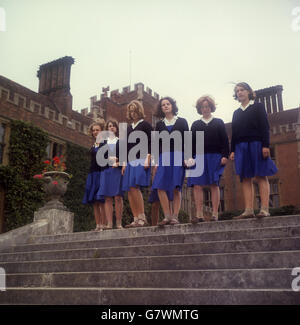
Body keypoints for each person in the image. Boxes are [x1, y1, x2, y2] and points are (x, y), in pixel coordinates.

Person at [229, 82, 278, 219]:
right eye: (237, 91)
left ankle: (264, 209)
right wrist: (232, 150)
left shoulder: (258, 107)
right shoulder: (236, 113)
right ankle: (249, 210)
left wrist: (265, 145)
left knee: (261, 175)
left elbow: (264, 127)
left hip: (256, 144)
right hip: (241, 147)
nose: (240, 92)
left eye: (242, 90)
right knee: (245, 178)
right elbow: (235, 133)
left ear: (249, 92)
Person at [187, 95, 229, 222]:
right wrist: (189, 157)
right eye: (202, 107)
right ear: (200, 109)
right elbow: (190, 143)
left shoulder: (219, 122)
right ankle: (199, 214)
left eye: (207, 106)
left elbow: (225, 141)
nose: (205, 109)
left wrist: (224, 155)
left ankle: (215, 214)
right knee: (197, 185)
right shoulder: (195, 124)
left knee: (214, 184)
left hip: (214, 156)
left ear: (211, 107)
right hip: (198, 157)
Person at [152, 97, 189, 226]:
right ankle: (167, 215)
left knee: (176, 187)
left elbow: (187, 141)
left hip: (179, 156)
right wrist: (156, 162)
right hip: (164, 157)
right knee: (159, 186)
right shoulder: (159, 124)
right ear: (161, 109)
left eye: (168, 104)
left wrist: (187, 157)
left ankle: (175, 216)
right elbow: (156, 144)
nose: (166, 106)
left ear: (172, 106)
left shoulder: (182, 122)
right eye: (163, 105)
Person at [121, 100, 152, 228]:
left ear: (139, 111)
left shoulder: (145, 125)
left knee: (135, 187)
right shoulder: (128, 128)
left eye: (135, 110)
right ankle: (135, 218)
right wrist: (123, 163)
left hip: (141, 158)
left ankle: (142, 218)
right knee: (129, 189)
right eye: (131, 111)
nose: (133, 113)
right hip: (129, 161)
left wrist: (148, 158)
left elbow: (152, 142)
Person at [96, 120, 124, 229]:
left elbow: (125, 157)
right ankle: (109, 223)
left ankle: (118, 223)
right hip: (106, 171)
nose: (111, 128)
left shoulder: (121, 142)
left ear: (116, 128)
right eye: (109, 126)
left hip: (117, 171)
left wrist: (118, 162)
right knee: (107, 198)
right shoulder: (103, 142)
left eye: (113, 126)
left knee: (118, 197)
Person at [82, 120, 106, 231]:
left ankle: (104, 225)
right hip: (92, 174)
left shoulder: (105, 144)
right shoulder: (93, 145)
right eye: (94, 130)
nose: (95, 132)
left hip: (102, 173)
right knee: (94, 202)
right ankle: (98, 225)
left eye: (97, 130)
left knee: (101, 200)